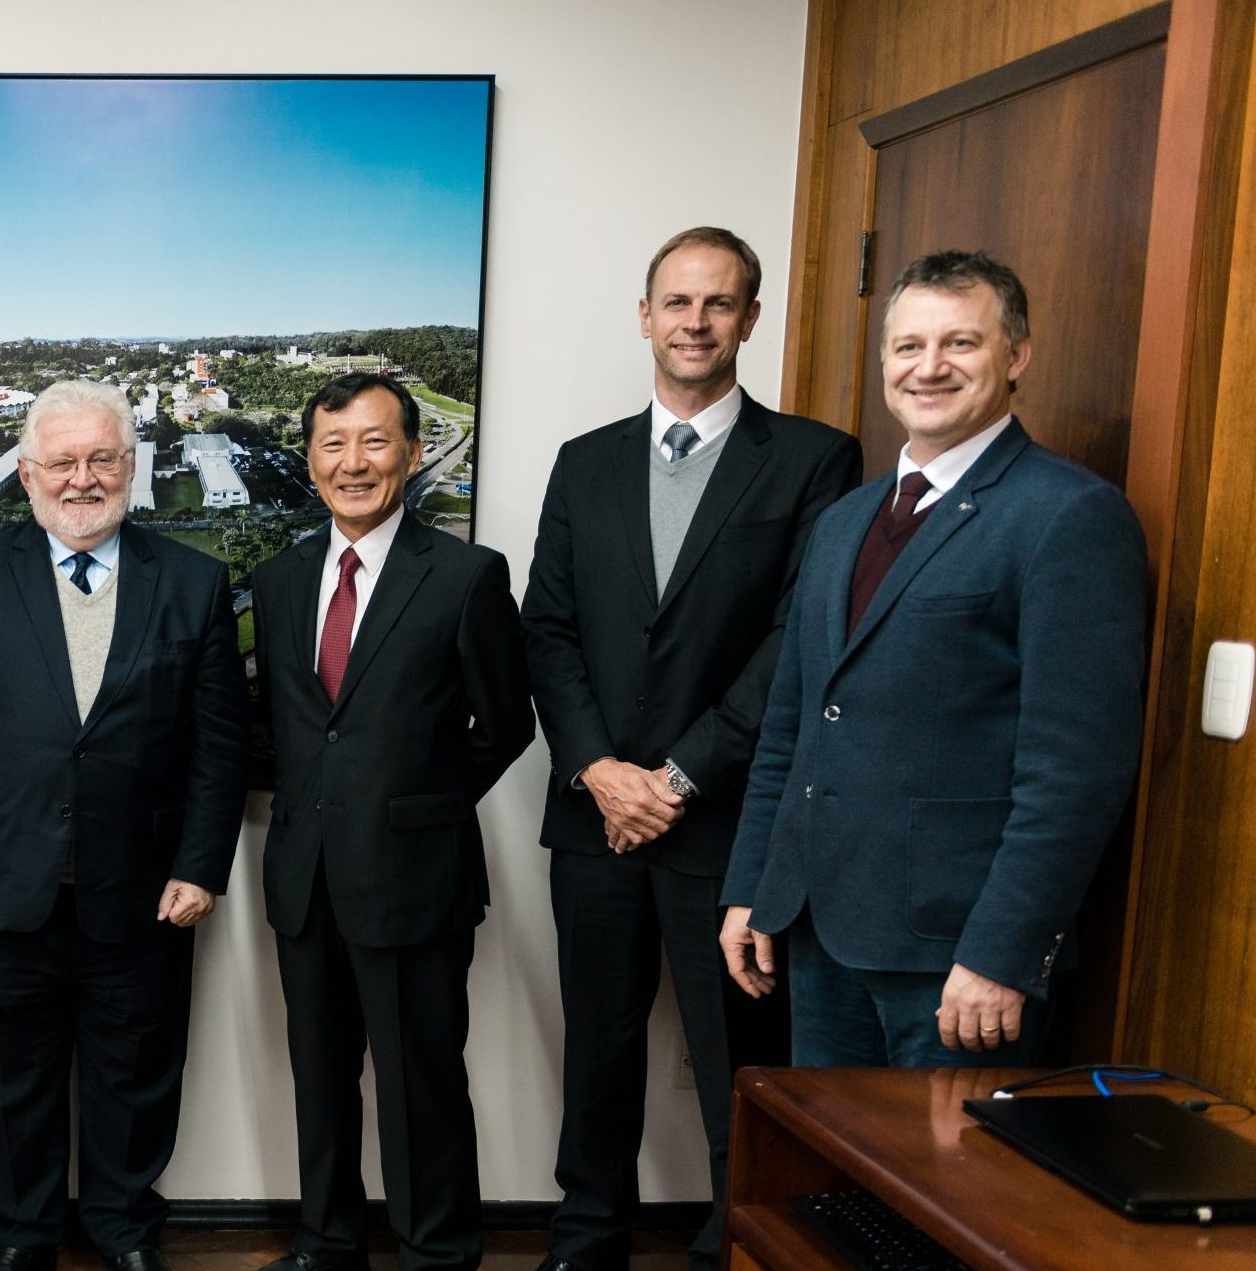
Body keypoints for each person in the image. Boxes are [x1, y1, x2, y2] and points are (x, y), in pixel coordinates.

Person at [519, 227, 859, 1271]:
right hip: (594, 817)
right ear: (644, 316)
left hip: (721, 819)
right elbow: (548, 629)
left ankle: (733, 1243)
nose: (694, 322)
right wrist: (595, 768)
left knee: (734, 1059)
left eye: (717, 304)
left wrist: (674, 776)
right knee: (600, 1051)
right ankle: (586, 1240)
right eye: (676, 302)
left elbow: (795, 639)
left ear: (749, 320)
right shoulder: (584, 463)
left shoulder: (812, 459)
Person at [720, 251, 1151, 1068]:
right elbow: (792, 728)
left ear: (1016, 356)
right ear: (885, 361)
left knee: (942, 1193)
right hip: (818, 933)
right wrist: (754, 887)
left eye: (961, 343)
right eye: (909, 346)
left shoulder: (1069, 517)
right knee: (832, 1186)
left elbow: (1075, 772)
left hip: (956, 963)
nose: (930, 367)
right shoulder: (845, 521)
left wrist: (1003, 952)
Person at [0, 381, 248, 1271]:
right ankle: (24, 1234)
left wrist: (202, 866)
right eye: (63, 461)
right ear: (27, 474)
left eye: (103, 459)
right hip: (0, 887)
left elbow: (220, 745)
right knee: (10, 1079)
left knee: (135, 1075)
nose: (83, 479)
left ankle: (122, 1227)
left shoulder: (195, 582)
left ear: (132, 469)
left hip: (145, 888)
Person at [250, 372, 534, 1271]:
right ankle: (325, 1242)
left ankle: (436, 1251)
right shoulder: (282, 575)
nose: (354, 462)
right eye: (334, 444)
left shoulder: (464, 574)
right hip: (306, 877)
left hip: (415, 879)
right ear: (309, 460)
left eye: (375, 442)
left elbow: (507, 722)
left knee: (421, 1085)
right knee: (319, 1079)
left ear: (411, 454)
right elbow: (282, 722)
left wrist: (426, 806)